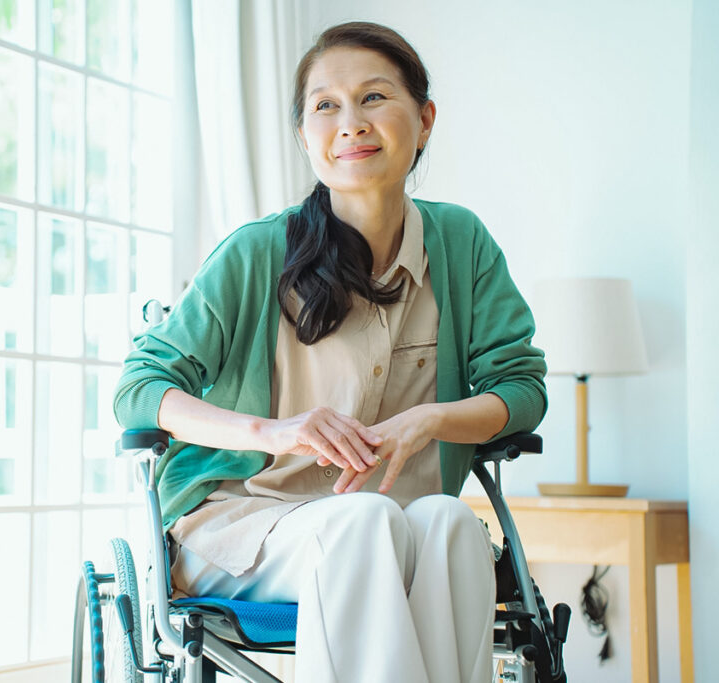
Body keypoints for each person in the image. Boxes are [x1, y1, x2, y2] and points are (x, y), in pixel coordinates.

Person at [114, 21, 547, 683]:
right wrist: (273, 430)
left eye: (374, 97)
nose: (351, 123)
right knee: (364, 521)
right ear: (303, 136)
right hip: (242, 524)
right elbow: (140, 387)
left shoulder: (461, 246)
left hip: (391, 525)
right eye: (326, 106)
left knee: (454, 525)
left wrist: (433, 418)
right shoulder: (258, 252)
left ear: (424, 120)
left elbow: (520, 390)